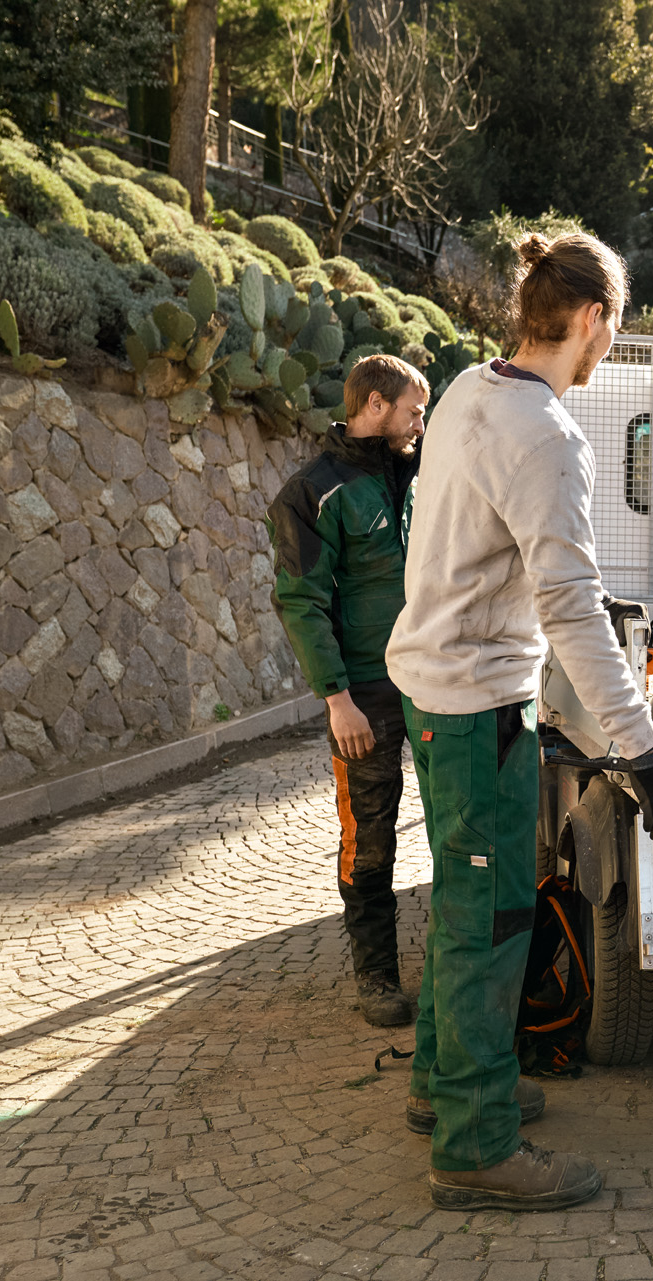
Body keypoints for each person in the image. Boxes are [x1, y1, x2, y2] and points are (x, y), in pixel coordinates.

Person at [385, 231, 653, 1210]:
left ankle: (447, 1085)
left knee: (465, 908)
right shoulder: (546, 436)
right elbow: (573, 609)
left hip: (433, 691)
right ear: (592, 319)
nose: (612, 346)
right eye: (617, 326)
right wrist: (641, 751)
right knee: (490, 919)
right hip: (477, 707)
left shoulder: (470, 388)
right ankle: (475, 1150)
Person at [268, 354, 427, 1029]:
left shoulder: (422, 473)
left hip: (435, 682)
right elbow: (301, 602)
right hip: (363, 694)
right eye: (414, 409)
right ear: (375, 405)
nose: (422, 422)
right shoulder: (312, 492)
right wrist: (337, 700)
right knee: (371, 836)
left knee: (457, 826)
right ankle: (376, 975)